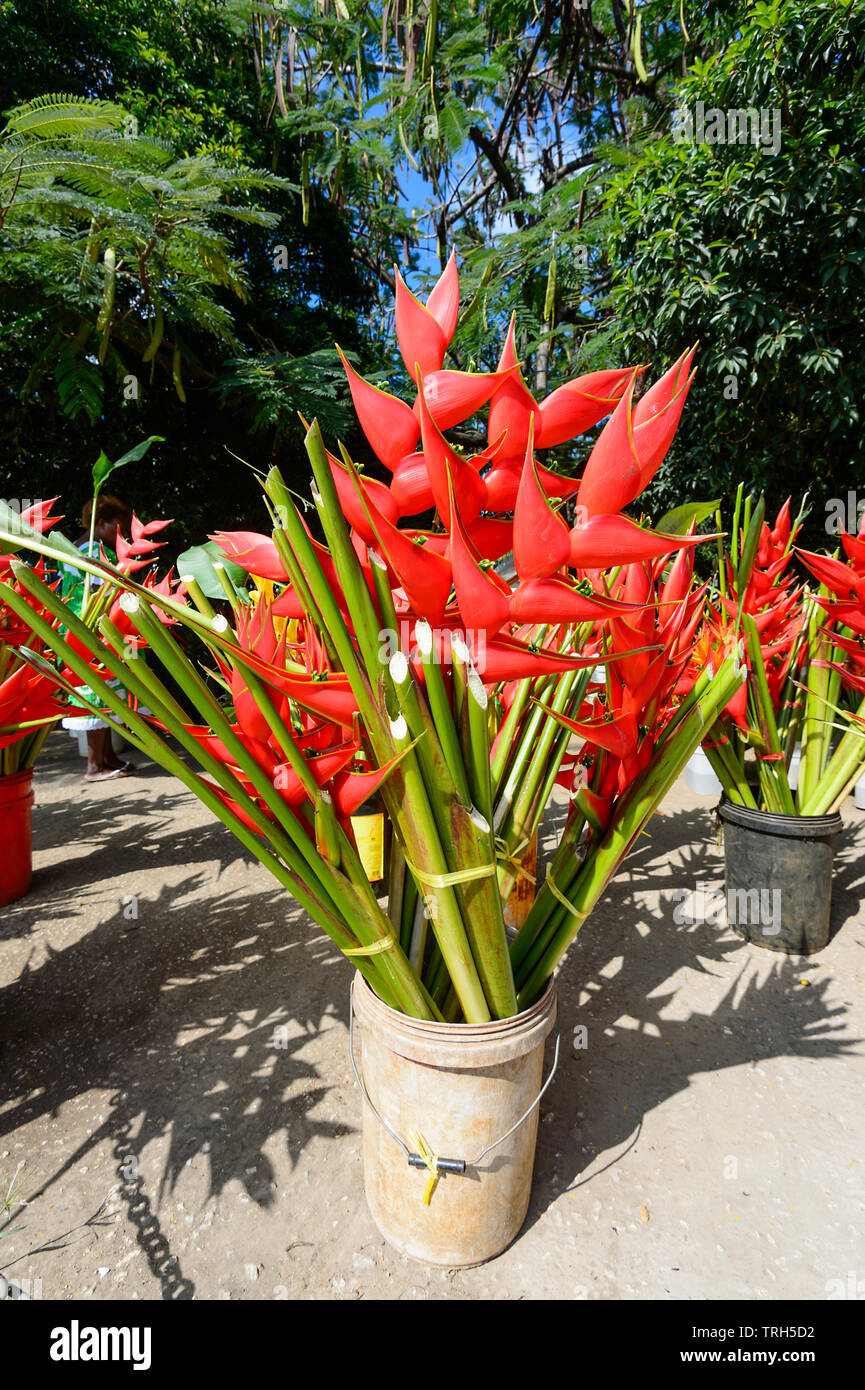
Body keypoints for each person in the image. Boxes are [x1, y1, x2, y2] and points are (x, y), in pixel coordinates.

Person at [59, 495, 137, 781]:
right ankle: (94, 765)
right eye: (117, 525)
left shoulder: (75, 547)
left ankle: (108, 758)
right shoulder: (92, 549)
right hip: (92, 629)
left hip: (81, 630)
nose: (123, 532)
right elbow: (100, 588)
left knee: (105, 690)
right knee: (97, 690)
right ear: (101, 522)